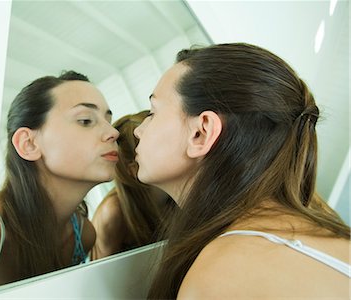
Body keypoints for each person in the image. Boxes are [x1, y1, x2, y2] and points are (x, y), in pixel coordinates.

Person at [133, 43, 351, 299]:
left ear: (200, 133)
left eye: (152, 112)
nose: (138, 130)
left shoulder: (220, 277)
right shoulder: (319, 225)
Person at [0, 71, 119, 288]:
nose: (113, 132)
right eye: (86, 120)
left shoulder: (84, 235)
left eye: (109, 120)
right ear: (28, 144)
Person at [91, 110, 176, 260]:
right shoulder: (112, 213)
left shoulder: (178, 192)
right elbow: (100, 276)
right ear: (134, 169)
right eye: (159, 146)